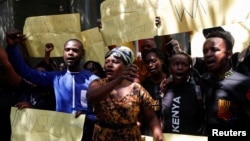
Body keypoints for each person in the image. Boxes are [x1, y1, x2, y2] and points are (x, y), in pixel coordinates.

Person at [5, 29, 99, 141]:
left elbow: (103, 110)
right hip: (62, 135)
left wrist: (90, 118)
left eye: (75, 50)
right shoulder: (56, 77)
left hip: (87, 135)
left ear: (82, 53)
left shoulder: (94, 80)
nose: (70, 53)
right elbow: (26, 72)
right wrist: (12, 48)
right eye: (67, 50)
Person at [86, 46, 163, 141]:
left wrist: (158, 136)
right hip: (102, 137)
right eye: (107, 62)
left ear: (127, 66)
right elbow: (91, 98)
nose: (109, 65)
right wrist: (117, 80)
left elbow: (151, 116)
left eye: (115, 62)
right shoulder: (98, 83)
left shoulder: (137, 89)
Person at [201, 30, 250, 134]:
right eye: (205, 51)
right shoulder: (202, 80)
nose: (208, 54)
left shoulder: (244, 84)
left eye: (214, 50)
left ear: (229, 54)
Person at [161, 52, 206, 135]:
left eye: (184, 64)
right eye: (176, 64)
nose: (180, 67)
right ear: (170, 68)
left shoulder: (198, 91)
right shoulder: (164, 89)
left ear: (189, 69)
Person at [140, 47, 168, 135]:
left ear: (162, 61)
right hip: (151, 130)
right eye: (147, 62)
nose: (150, 65)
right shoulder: (144, 85)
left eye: (153, 61)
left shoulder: (172, 81)